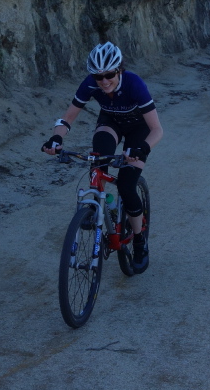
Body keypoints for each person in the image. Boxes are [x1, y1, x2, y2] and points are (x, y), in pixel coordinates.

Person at [41, 41, 163, 272]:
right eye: (98, 77)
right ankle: (98, 203)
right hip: (111, 123)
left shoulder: (134, 85)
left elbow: (157, 130)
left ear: (119, 70)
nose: (104, 81)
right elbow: (67, 118)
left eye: (109, 74)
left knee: (127, 187)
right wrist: (56, 138)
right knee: (98, 156)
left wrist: (142, 149)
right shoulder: (91, 84)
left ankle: (139, 241)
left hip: (140, 131)